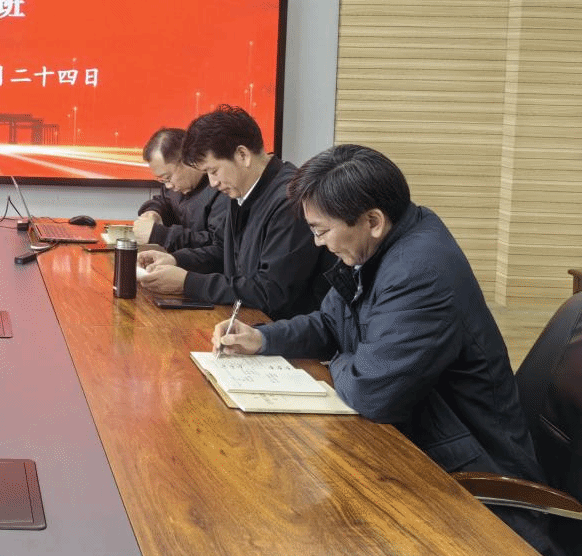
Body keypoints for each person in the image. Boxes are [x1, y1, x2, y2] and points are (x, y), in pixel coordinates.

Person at [212, 144, 557, 555]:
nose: (318, 243)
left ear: (372, 221)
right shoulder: (381, 245)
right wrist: (264, 338)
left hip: (471, 483)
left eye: (321, 231)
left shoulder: (419, 270)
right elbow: (330, 322)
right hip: (422, 446)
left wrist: (340, 359)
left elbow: (373, 393)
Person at [138, 105, 329, 318]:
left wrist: (187, 283)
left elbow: (271, 291)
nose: (212, 183)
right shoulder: (242, 189)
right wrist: (176, 260)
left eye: (213, 171)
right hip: (244, 320)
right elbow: (223, 254)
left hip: (277, 327)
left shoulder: (289, 200)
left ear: (242, 155)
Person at [133, 127, 227, 270]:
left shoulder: (221, 188)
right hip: (176, 267)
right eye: (163, 180)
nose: (168, 185)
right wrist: (153, 212)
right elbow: (164, 201)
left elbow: (218, 248)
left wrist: (162, 236)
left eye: (168, 178)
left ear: (187, 160)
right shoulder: (176, 186)